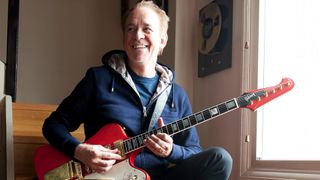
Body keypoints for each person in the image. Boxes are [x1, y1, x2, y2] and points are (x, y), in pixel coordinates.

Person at [42, 1, 232, 179]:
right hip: (107, 176)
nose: (137, 35)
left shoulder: (178, 95)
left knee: (220, 159)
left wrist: (172, 151)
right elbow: (53, 125)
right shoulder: (97, 79)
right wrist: (80, 150)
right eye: (131, 29)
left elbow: (194, 150)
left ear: (163, 40)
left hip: (157, 176)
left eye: (146, 29)